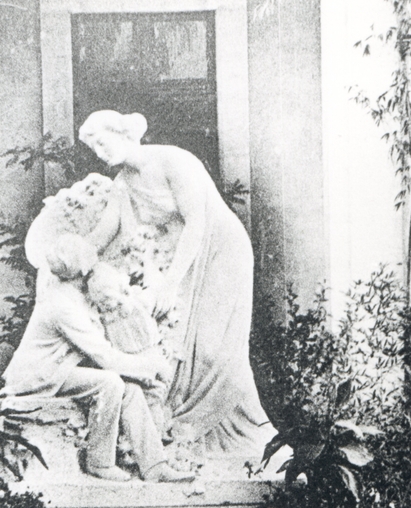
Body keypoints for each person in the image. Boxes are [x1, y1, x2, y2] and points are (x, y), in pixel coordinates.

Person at [78, 110, 272, 455]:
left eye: (101, 141)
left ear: (123, 133)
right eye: (92, 147)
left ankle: (240, 431)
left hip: (221, 252)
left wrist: (168, 284)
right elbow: (103, 236)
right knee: (182, 343)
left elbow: (198, 222)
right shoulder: (123, 184)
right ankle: (193, 433)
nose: (99, 152)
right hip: (186, 259)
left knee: (215, 347)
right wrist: (66, 258)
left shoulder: (174, 161)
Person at [0, 233, 193, 483]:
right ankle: (99, 462)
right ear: (81, 268)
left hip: (58, 370)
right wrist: (150, 367)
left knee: (130, 389)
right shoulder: (63, 305)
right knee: (110, 383)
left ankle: (155, 466)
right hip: (39, 376)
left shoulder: (76, 296)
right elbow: (105, 357)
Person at [86, 261, 169, 436]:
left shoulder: (139, 301)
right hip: (127, 365)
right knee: (134, 400)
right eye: (103, 305)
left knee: (155, 395)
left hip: (149, 357)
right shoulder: (102, 319)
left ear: (122, 290)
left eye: (112, 303)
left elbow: (157, 294)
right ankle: (136, 440)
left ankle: (157, 437)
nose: (109, 309)